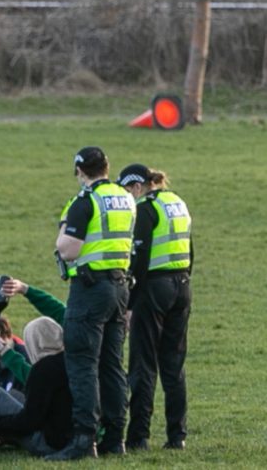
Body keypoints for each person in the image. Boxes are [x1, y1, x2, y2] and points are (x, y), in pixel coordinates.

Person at [47, 146, 135, 461]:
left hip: (90, 288)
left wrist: (59, 240)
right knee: (113, 366)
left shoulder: (86, 201)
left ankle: (84, 440)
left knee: (83, 364)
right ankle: (115, 438)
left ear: (80, 171)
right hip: (119, 287)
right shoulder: (125, 198)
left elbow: (69, 249)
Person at [117, 164, 193, 451]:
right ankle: (177, 436)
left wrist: (131, 303)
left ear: (138, 186)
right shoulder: (177, 202)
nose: (127, 198)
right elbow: (190, 248)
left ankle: (138, 437)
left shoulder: (146, 209)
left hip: (153, 288)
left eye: (127, 191)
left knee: (143, 366)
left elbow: (139, 257)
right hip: (182, 284)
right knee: (174, 366)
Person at [0, 317, 73, 457]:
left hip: (50, 444)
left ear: (34, 342)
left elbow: (29, 421)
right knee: (13, 394)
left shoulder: (43, 369)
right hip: (73, 438)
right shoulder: (72, 362)